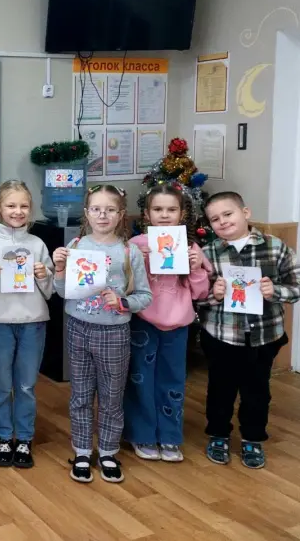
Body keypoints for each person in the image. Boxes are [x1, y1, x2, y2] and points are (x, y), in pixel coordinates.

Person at [52, 185, 152, 485]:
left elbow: (145, 295)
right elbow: (62, 292)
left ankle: (108, 452)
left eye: (110, 209)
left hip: (114, 331)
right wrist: (59, 268)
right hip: (78, 328)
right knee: (81, 395)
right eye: (96, 209)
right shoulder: (76, 246)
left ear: (121, 214)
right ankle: (82, 451)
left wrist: (122, 302)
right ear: (86, 213)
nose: (102, 215)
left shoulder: (129, 251)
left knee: (111, 396)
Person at [198, 191, 299, 469]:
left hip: (264, 336)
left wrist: (274, 290)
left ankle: (252, 438)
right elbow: (195, 295)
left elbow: (296, 285)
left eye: (228, 214)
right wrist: (214, 294)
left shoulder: (275, 247)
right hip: (221, 335)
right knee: (220, 390)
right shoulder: (208, 253)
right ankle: (218, 435)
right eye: (214, 219)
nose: (222, 222)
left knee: (257, 392)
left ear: (245, 213)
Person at [124, 184, 211, 463]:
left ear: (181, 214)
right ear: (147, 214)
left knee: (172, 380)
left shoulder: (191, 247)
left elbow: (201, 294)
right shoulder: (136, 245)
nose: (164, 215)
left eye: (171, 209)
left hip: (178, 326)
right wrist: (136, 265)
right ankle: (142, 434)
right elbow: (124, 287)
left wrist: (196, 268)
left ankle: (170, 436)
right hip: (143, 322)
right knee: (140, 380)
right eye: (158, 209)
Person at [0, 180, 52, 469]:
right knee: (1, 384)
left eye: (24, 206)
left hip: (33, 322)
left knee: (27, 385)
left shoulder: (37, 244)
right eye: (11, 205)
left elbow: (50, 291)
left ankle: (25, 438)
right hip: (0, 321)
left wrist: (44, 275)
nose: (17, 211)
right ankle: (4, 437)